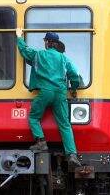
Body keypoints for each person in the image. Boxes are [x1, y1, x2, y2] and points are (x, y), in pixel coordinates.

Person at [16, 28, 81, 167]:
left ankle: (41, 142)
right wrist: (74, 88)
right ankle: (72, 154)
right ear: (57, 44)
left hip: (45, 92)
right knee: (64, 125)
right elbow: (74, 74)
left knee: (34, 117)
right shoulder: (63, 58)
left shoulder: (39, 55)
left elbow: (25, 51)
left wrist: (19, 37)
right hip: (60, 93)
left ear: (46, 42)